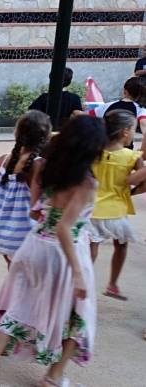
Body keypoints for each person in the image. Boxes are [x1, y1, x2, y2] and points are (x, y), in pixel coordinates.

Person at [0, 115, 106, 387]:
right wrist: (79, 274)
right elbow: (65, 229)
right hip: (65, 255)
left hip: (33, 246)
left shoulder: (43, 166)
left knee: (18, 308)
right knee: (79, 315)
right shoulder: (86, 183)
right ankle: (54, 377)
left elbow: (35, 210)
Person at [0, 110, 51, 267]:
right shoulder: (39, 165)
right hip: (23, 239)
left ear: (16, 133)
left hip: (0, 235)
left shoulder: (2, 160)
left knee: (15, 274)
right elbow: (35, 209)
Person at [87, 110, 141, 300]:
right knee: (121, 245)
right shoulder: (132, 156)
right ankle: (112, 284)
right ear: (126, 132)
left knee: (91, 248)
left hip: (91, 209)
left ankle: (84, 281)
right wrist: (131, 189)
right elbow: (139, 180)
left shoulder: (93, 151)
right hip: (116, 210)